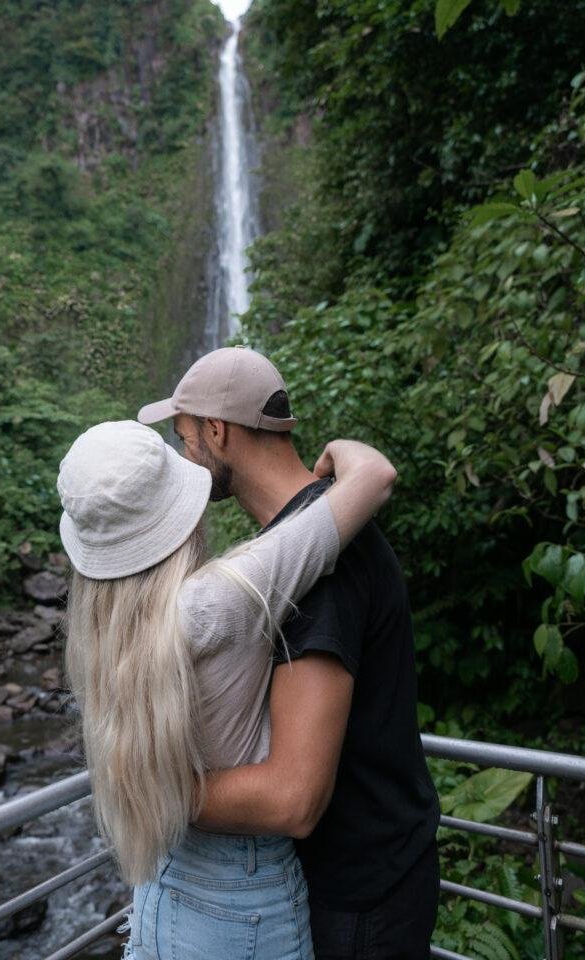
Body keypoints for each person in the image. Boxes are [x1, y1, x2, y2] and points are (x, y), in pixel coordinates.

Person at [136, 347, 441, 960]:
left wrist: (142, 791)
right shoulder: (309, 538)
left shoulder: (318, 572)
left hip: (356, 897)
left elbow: (293, 798)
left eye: (183, 434)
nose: (181, 455)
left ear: (216, 431)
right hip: (375, 872)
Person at [57, 418, 398, 960]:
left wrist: (150, 792)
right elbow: (374, 477)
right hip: (241, 898)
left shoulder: (99, 628)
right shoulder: (218, 602)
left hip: (159, 883)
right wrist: (340, 448)